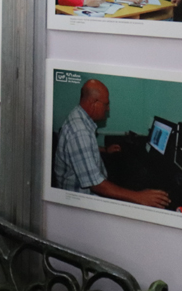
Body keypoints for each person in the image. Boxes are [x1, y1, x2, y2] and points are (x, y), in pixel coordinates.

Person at [53, 80, 171, 209]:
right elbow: (96, 184)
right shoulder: (79, 132)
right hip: (83, 199)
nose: (108, 109)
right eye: (106, 104)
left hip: (93, 183)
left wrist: (104, 149)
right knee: (137, 190)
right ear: (94, 103)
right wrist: (139, 197)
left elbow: (78, 149)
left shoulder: (78, 116)